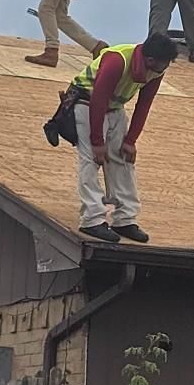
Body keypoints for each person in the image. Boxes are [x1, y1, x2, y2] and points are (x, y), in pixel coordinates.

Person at [61, 34, 178, 242]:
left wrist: (130, 141)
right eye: (162, 65)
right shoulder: (117, 61)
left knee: (123, 160)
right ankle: (92, 220)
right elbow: (98, 99)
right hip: (86, 103)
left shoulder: (156, 70)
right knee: (91, 161)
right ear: (150, 61)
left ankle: (125, 220)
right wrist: (97, 141)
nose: (163, 69)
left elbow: (144, 105)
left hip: (114, 109)